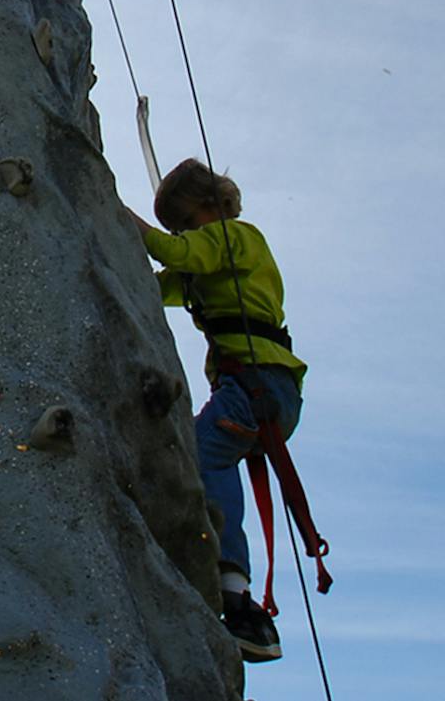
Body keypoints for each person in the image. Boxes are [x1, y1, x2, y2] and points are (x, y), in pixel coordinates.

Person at [125, 159, 306, 665]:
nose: (181, 234)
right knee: (207, 454)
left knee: (204, 455)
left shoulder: (234, 237)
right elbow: (157, 287)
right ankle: (237, 595)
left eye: (183, 221)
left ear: (207, 206)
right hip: (260, 389)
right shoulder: (206, 264)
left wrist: (120, 217)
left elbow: (175, 252)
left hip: (257, 384)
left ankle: (234, 587)